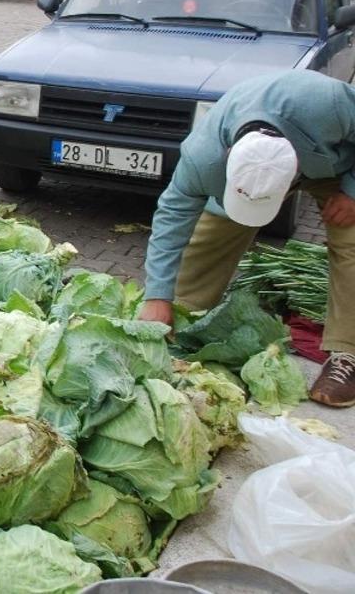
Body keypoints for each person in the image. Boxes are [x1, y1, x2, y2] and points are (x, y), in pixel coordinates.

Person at [138, 70, 355, 407]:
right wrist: (157, 296)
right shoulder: (203, 156)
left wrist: (352, 192)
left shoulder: (328, 103)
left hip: (339, 166)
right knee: (206, 243)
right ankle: (178, 330)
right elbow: (171, 220)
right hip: (250, 171)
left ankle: (347, 354)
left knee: (352, 238)